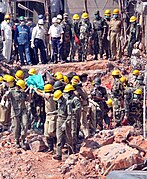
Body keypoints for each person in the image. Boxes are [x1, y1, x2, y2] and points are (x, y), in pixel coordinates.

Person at [2, 79, 28, 149]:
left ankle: (23, 140)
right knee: (16, 127)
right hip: (15, 112)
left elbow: (28, 99)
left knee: (25, 125)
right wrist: (4, 100)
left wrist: (30, 93)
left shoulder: (23, 92)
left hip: (23, 111)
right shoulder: (12, 92)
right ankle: (17, 141)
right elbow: (5, 97)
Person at [35, 84, 57, 152]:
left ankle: (55, 146)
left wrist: (35, 89)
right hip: (48, 116)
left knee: (51, 132)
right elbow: (42, 92)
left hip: (52, 116)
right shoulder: (50, 95)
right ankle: (51, 148)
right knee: (46, 133)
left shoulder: (50, 96)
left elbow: (40, 93)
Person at [53, 90, 73, 161]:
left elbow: (70, 115)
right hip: (59, 121)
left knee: (68, 137)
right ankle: (59, 154)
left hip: (65, 121)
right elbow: (59, 112)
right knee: (59, 137)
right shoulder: (59, 103)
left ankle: (71, 152)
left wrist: (65, 123)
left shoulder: (67, 103)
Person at [63, 84, 81, 153]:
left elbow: (78, 107)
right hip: (67, 117)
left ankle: (74, 148)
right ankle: (69, 148)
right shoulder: (67, 98)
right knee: (67, 133)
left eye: (67, 92)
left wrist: (73, 110)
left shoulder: (75, 99)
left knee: (73, 132)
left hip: (73, 118)